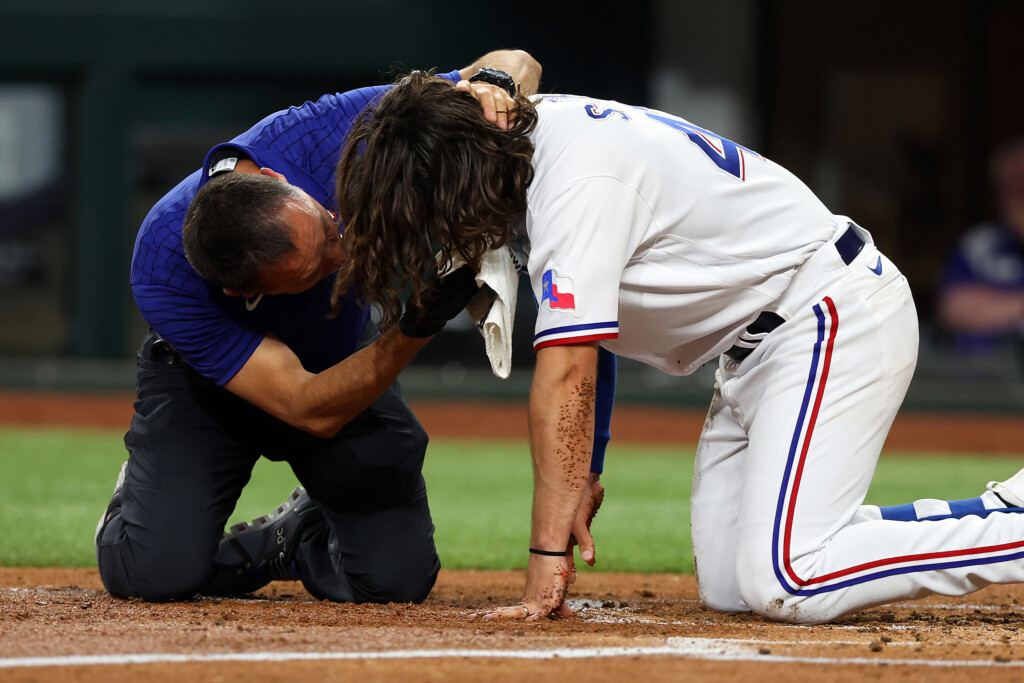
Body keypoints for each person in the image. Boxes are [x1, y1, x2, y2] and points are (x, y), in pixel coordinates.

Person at [332, 73, 1024, 624]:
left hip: (826, 314)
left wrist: (546, 562)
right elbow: (586, 339)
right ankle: (986, 511)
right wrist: (586, 469)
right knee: (733, 583)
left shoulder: (576, 181)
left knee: (790, 576)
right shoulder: (525, 146)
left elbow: (567, 369)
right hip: (757, 348)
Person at [93, 50, 543, 604]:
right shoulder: (163, 271)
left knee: (394, 582)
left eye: (329, 229)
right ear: (246, 292)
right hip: (207, 387)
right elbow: (306, 406)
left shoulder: (327, 133)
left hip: (336, 356)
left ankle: (293, 536)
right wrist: (417, 326)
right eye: (319, 266)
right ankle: (136, 513)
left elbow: (517, 62)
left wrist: (495, 86)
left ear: (281, 180)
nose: (345, 249)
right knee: (152, 575)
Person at [938, 139, 1024, 351]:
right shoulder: (979, 244)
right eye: (1016, 189)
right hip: (983, 372)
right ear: (999, 196)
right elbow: (953, 308)